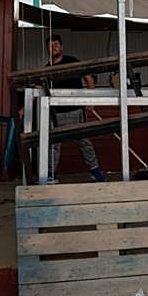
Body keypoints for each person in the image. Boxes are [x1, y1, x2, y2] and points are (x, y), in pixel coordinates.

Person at [44, 35, 106, 184]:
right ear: (47, 49)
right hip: (56, 113)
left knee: (84, 142)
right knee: (54, 144)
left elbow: (89, 79)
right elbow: (39, 89)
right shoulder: (46, 69)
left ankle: (95, 172)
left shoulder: (72, 62)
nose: (54, 47)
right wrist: (22, 109)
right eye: (51, 45)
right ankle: (51, 175)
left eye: (56, 44)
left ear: (62, 47)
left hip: (76, 111)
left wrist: (90, 100)